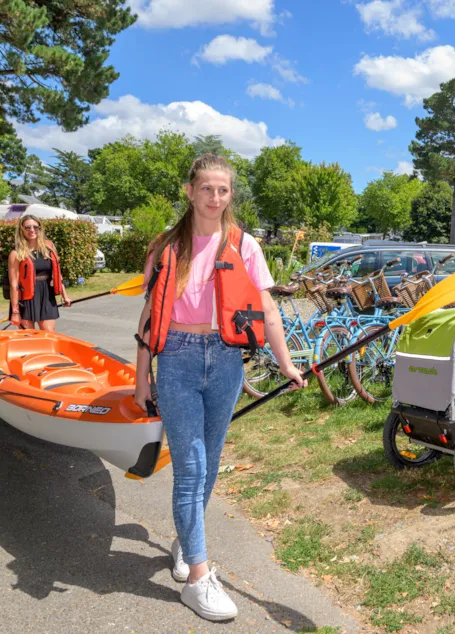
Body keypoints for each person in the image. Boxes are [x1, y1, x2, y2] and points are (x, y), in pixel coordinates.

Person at [133, 153, 305, 622]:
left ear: (230, 195)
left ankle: (186, 543)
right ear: (190, 191)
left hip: (227, 360)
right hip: (177, 359)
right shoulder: (166, 245)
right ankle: (198, 578)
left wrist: (286, 363)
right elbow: (149, 315)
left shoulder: (245, 245)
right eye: (206, 188)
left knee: (208, 465)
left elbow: (267, 309)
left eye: (222, 190)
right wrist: (140, 376)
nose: (214, 197)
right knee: (190, 468)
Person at [8, 214, 71, 330]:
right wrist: (15, 312)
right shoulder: (16, 254)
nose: (32, 230)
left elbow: (57, 275)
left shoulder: (49, 247)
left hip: (47, 296)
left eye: (35, 227)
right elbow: (14, 284)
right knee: (28, 337)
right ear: (21, 230)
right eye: (27, 227)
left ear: (40, 229)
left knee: (49, 335)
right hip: (26, 298)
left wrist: (65, 296)